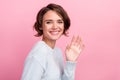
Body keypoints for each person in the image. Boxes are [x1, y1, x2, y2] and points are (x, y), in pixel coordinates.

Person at [21, 3, 84, 80]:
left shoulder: (57, 51)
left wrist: (70, 62)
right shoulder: (38, 53)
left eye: (59, 22)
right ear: (40, 26)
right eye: (49, 22)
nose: (55, 26)